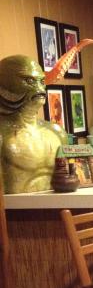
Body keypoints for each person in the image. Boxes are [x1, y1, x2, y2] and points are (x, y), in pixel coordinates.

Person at [0, 55, 66, 193]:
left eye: (42, 81)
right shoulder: (2, 136)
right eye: (29, 80)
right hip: (16, 207)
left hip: (60, 204)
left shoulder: (57, 132)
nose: (40, 89)